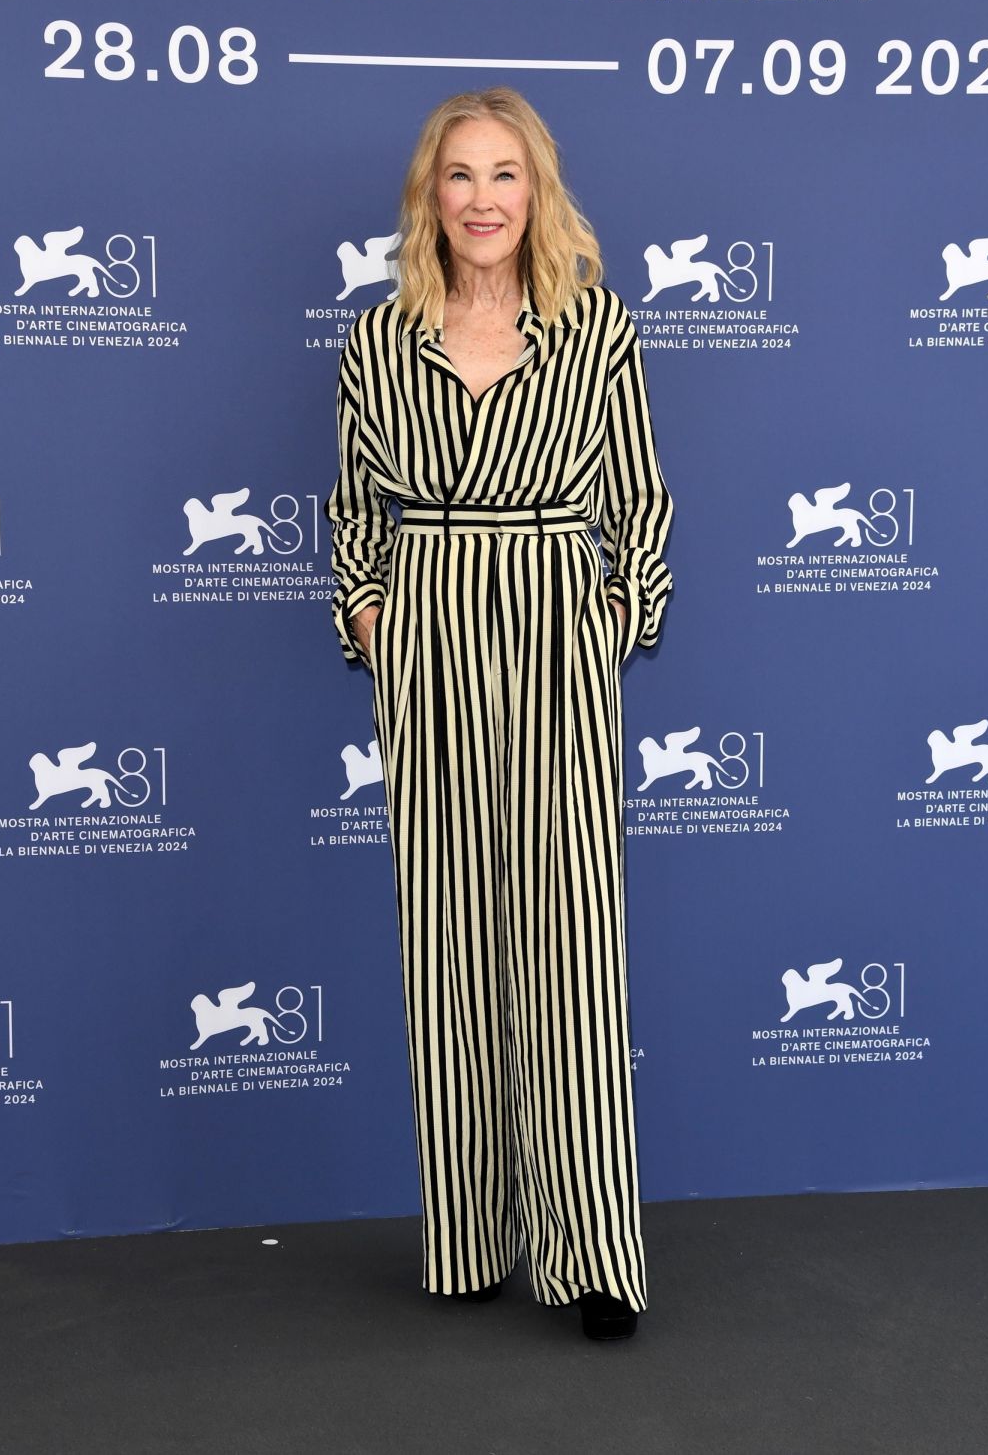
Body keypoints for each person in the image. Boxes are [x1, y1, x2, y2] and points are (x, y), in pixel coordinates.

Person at [324, 86, 674, 1342]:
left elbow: (640, 501)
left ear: (540, 193)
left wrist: (612, 622)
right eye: (460, 176)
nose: (482, 199)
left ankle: (594, 1257)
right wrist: (372, 618)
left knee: (573, 956)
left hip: (557, 647)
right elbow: (353, 508)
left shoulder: (599, 328)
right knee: (451, 948)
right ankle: (469, 1231)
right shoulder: (380, 337)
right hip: (424, 656)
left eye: (505, 175)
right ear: (432, 196)